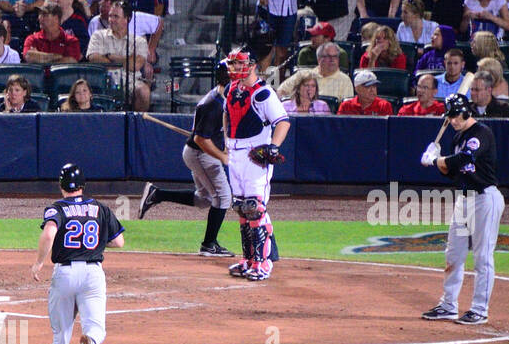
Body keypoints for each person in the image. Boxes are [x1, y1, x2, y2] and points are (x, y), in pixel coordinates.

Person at [31, 163, 125, 344]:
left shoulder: (57, 208)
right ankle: (92, 341)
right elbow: (119, 242)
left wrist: (39, 262)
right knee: (95, 326)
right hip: (93, 274)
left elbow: (50, 233)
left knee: (61, 334)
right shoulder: (100, 208)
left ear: (61, 185)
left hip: (65, 275)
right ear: (83, 185)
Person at [419, 92, 504, 325]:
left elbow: (466, 159)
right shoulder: (457, 137)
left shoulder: (481, 134)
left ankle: (479, 309)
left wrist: (437, 160)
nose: (454, 120)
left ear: (467, 111)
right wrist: (437, 161)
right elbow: (453, 173)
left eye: (456, 115)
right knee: (453, 254)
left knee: (482, 257)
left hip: (485, 198)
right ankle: (448, 305)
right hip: (463, 200)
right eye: (451, 116)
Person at [138, 58, 237, 257]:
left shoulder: (223, 98)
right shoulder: (213, 104)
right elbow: (201, 139)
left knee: (204, 200)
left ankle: (158, 194)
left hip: (201, 152)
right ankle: (209, 244)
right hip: (202, 154)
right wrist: (223, 157)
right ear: (230, 79)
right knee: (223, 197)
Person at [220, 50, 289, 282]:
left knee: (254, 207)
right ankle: (248, 260)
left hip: (254, 154)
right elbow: (227, 115)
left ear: (251, 65)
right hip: (235, 153)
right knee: (241, 208)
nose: (234, 68)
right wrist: (227, 141)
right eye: (232, 64)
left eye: (238, 64)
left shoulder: (263, 94)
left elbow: (282, 122)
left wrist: (274, 146)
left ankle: (263, 262)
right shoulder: (231, 89)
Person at [85, 0, 151, 110]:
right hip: (102, 80)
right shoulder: (98, 36)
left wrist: (111, 57)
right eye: (110, 16)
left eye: (116, 17)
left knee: (143, 91)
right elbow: (93, 58)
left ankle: (138, 125)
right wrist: (125, 61)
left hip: (130, 82)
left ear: (127, 19)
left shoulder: (139, 41)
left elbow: (135, 65)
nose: (111, 20)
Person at [280, 40, 355, 98]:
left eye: (335, 56)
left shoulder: (345, 80)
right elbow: (281, 92)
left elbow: (345, 110)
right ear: (319, 59)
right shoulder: (302, 75)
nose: (332, 60)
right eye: (328, 56)